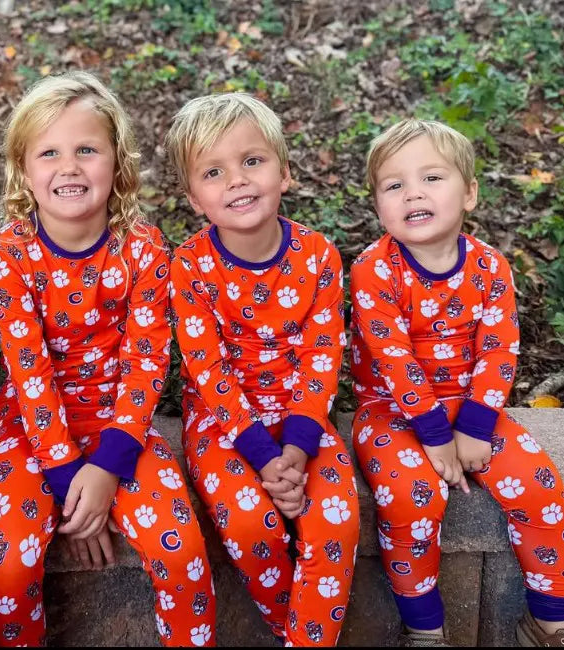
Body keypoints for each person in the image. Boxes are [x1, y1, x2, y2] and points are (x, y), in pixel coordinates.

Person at [0, 71, 216, 647]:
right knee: (9, 563)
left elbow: (145, 362)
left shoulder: (142, 248)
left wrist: (107, 468)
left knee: (183, 551)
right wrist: (69, 485)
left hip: (122, 423)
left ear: (116, 162)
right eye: (50, 153)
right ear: (23, 170)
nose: (69, 166)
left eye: (87, 149)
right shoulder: (8, 254)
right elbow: (28, 372)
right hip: (35, 429)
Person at [350, 117, 564, 647]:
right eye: (394, 184)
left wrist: (473, 427)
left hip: (473, 407)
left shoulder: (491, 267)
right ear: (379, 205)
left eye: (432, 178)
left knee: (542, 491)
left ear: (469, 193)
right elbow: (393, 359)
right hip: (392, 413)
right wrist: (433, 435)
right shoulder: (374, 270)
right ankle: (426, 632)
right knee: (411, 499)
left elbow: (498, 352)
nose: (413, 192)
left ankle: (548, 621)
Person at [165, 92, 359, 646]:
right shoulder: (190, 266)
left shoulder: (319, 257)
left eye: (252, 161)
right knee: (252, 526)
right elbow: (207, 370)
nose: (237, 180)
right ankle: (288, 627)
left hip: (305, 421)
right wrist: (265, 460)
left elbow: (322, 360)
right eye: (214, 171)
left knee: (337, 524)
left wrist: (295, 451)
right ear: (195, 198)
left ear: (285, 173)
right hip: (225, 426)